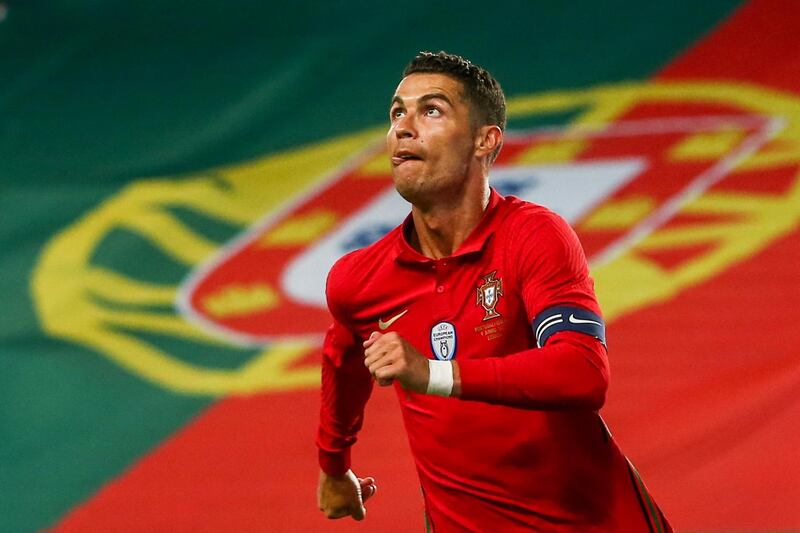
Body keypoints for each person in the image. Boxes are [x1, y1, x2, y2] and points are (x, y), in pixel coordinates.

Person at [316, 51, 672, 532]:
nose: (403, 127)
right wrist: (334, 465)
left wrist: (434, 374)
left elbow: (583, 371)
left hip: (593, 520)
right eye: (397, 112)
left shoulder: (533, 236)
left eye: (431, 110)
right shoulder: (359, 279)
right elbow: (344, 358)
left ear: (485, 140)